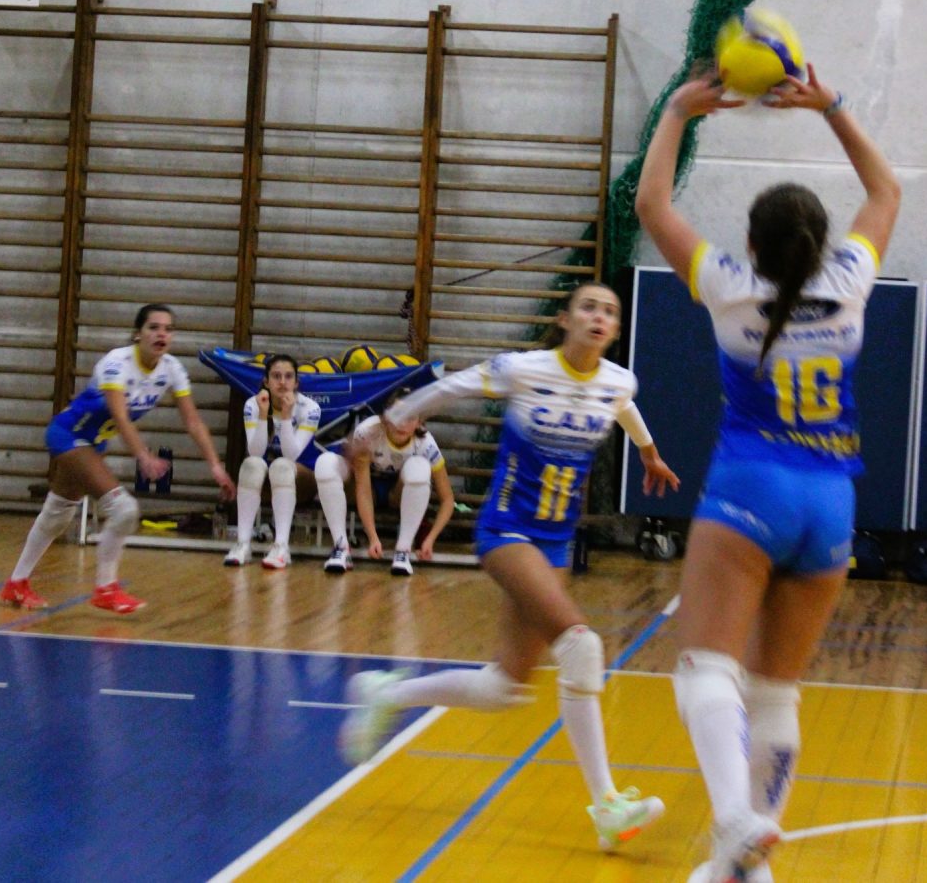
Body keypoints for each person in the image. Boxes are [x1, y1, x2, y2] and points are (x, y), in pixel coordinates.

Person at [635, 65, 901, 881]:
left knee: (704, 670)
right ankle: (748, 866)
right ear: (822, 244)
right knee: (777, 691)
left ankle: (734, 822)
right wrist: (832, 108)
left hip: (751, 489)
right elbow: (886, 192)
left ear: (751, 246)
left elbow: (652, 205)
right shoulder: (849, 284)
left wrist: (679, 111)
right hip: (830, 501)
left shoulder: (729, 286)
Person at [338, 283, 681, 851]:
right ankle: (607, 807)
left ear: (616, 330)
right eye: (589, 307)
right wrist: (387, 422)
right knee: (582, 647)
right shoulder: (524, 370)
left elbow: (621, 406)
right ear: (565, 319)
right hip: (506, 531)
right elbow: (450, 386)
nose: (599, 316)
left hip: (555, 541)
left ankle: (386, 695)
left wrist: (648, 451)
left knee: (502, 688)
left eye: (609, 311)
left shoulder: (619, 381)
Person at [2, 304, 236, 613]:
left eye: (168, 329)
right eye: (154, 327)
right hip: (69, 434)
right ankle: (106, 588)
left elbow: (193, 422)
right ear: (138, 333)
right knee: (124, 509)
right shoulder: (117, 362)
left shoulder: (172, 369)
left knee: (58, 512)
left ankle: (16, 584)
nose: (162, 334)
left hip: (93, 443)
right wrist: (143, 457)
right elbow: (121, 416)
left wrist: (216, 466)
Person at [312, 391, 456, 576]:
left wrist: (430, 539)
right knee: (325, 463)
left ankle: (403, 551)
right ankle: (341, 547)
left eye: (410, 417)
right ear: (385, 418)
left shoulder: (426, 444)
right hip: (366, 491)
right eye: (397, 415)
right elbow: (363, 489)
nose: (402, 423)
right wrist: (373, 537)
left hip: (397, 495)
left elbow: (447, 499)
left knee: (419, 467)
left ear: (419, 422)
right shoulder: (367, 432)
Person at [223, 354, 322, 569]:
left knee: (282, 466)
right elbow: (256, 452)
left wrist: (286, 416)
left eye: (288, 377)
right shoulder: (253, 404)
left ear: (296, 382)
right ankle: (242, 544)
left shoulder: (310, 408)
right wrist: (262, 415)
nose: (282, 382)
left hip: (304, 478)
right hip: (270, 480)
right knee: (251, 464)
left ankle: (281, 546)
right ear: (266, 382)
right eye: (276, 376)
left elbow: (291, 455)